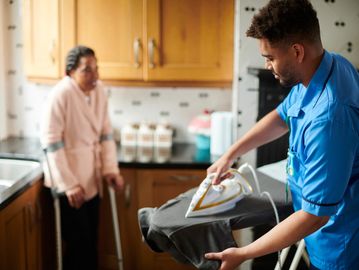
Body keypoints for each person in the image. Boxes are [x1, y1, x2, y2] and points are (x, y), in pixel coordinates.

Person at [204, 0, 359, 269]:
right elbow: (281, 117)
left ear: (297, 51)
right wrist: (231, 154)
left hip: (337, 247)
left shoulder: (329, 118)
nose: (267, 65)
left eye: (270, 57)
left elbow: (314, 216)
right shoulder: (327, 67)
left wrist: (243, 254)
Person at [41, 45, 124, 270]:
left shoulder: (99, 91)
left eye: (96, 69)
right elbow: (51, 143)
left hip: (92, 179)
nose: (94, 75)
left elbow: (106, 134)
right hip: (70, 183)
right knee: (78, 245)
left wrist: (111, 170)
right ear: (70, 72)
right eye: (87, 70)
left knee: (91, 242)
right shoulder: (60, 94)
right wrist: (68, 184)